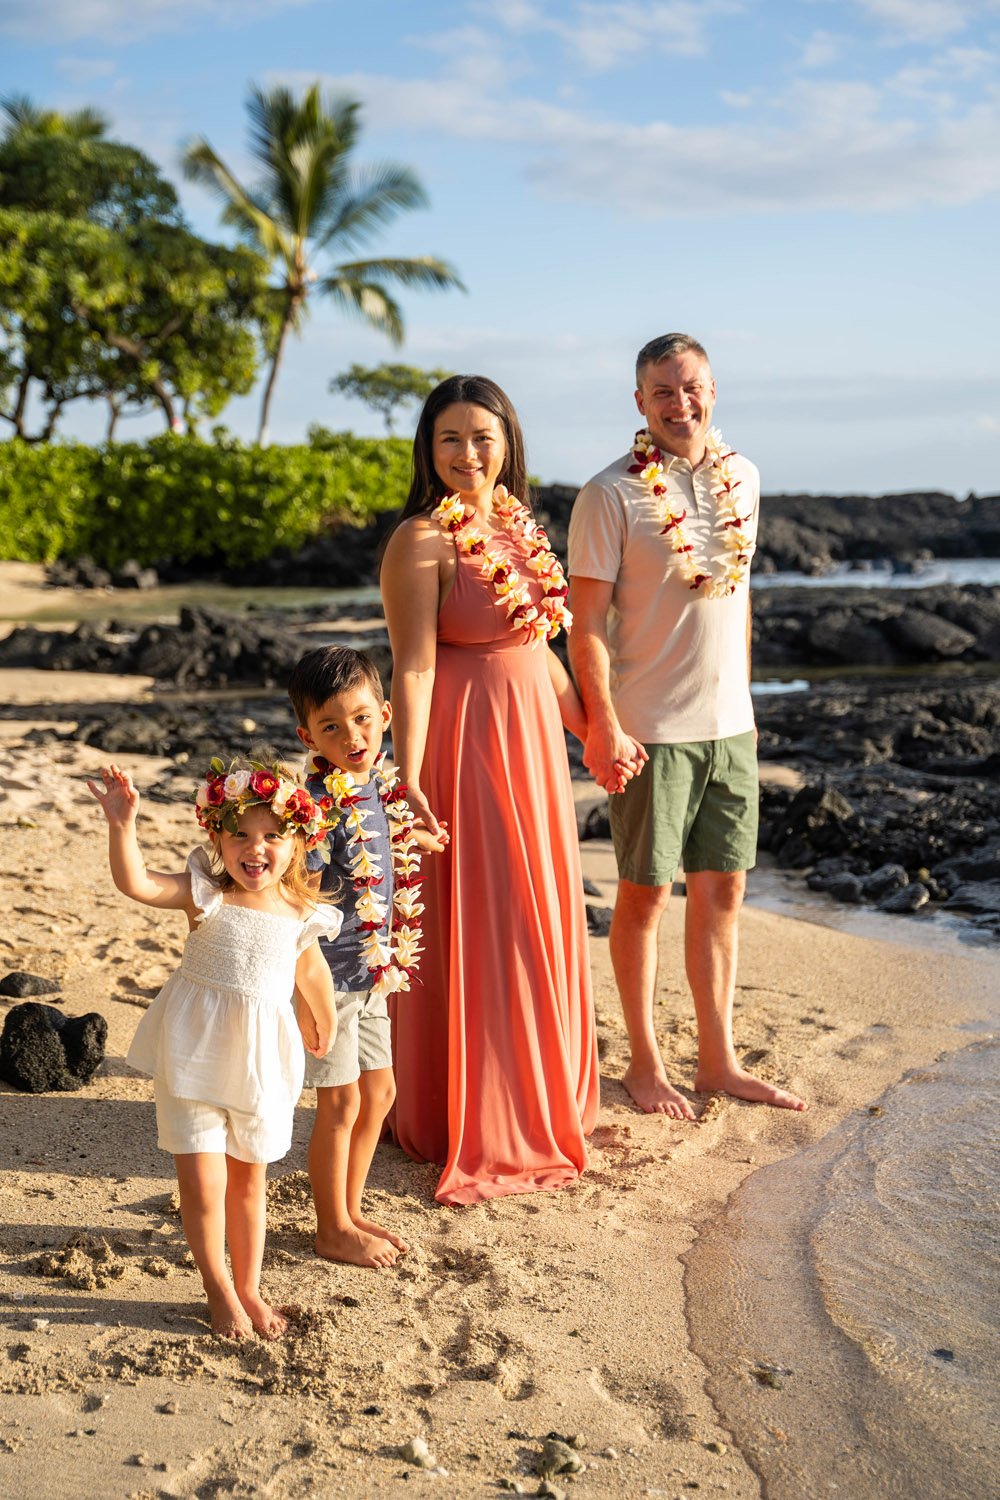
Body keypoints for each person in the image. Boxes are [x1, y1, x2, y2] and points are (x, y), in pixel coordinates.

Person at [568, 332, 806, 1120]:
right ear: (639, 402)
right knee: (644, 896)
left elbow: (734, 605)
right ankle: (642, 1062)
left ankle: (717, 1059)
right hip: (650, 733)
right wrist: (601, 726)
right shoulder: (609, 495)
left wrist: (747, 709)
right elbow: (586, 625)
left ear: (714, 388)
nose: (681, 404)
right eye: (663, 392)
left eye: (692, 386)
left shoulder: (746, 478)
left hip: (729, 729)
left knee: (725, 890)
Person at [380, 374, 601, 1204]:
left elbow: (539, 651)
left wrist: (593, 731)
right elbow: (414, 663)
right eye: (450, 439)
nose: (468, 454)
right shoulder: (420, 541)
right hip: (466, 745)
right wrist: (409, 778)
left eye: (483, 436)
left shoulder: (513, 525)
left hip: (536, 748)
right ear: (427, 451)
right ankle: (469, 1113)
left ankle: (545, 1097)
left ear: (508, 441)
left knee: (538, 915)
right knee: (490, 921)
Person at [87, 757, 340, 1338]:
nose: (257, 849)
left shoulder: (300, 912)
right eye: (241, 836)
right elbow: (138, 884)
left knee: (250, 1183)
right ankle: (217, 1285)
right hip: (192, 1053)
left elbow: (314, 971)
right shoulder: (206, 896)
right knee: (203, 1186)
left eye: (273, 835)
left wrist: (322, 1016)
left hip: (262, 1064)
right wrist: (123, 824)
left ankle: (249, 1284)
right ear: (217, 838)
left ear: (296, 841)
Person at [288, 645, 446, 1268]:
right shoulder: (319, 809)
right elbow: (301, 886)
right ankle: (330, 1227)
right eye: (331, 726)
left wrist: (415, 835)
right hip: (330, 979)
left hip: (374, 970)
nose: (351, 735)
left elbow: (378, 849)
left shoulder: (378, 785)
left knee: (380, 1094)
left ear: (384, 714)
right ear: (308, 736)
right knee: (342, 1102)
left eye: (360, 719)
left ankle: (349, 1209)